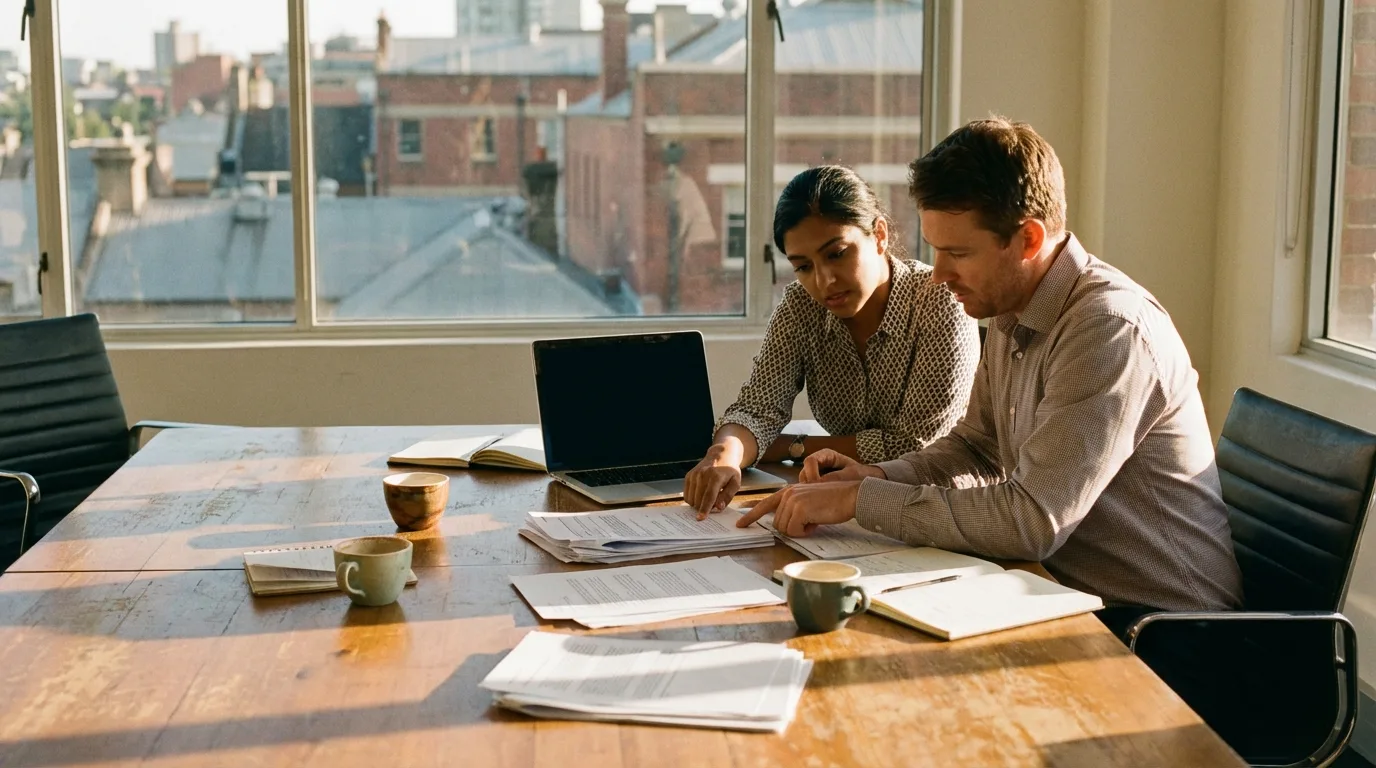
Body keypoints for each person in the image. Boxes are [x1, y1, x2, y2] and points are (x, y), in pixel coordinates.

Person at [737, 119, 1244, 619]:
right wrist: (874, 474)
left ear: (1027, 240)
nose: (938, 274)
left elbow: (1032, 521)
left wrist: (861, 500)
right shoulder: (1011, 305)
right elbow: (976, 448)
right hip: (1059, 594)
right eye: (936, 250)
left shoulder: (1107, 329)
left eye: (957, 252)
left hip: (1161, 632)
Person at [684, 165, 980, 518]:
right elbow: (758, 408)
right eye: (803, 266)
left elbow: (914, 445)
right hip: (839, 501)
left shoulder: (939, 301)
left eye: (837, 253)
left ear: (880, 235)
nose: (824, 281)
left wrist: (795, 447)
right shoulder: (800, 306)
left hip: (935, 507)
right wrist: (726, 455)